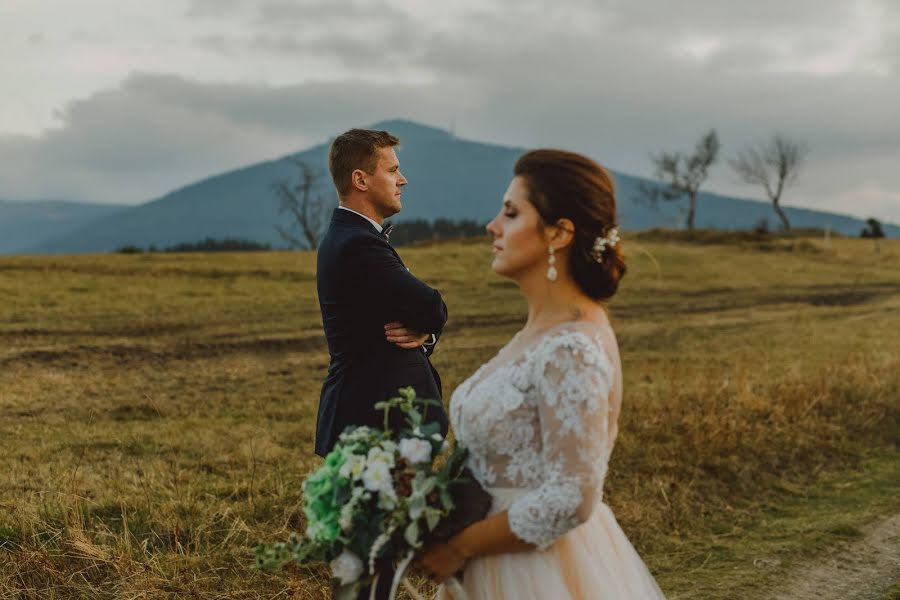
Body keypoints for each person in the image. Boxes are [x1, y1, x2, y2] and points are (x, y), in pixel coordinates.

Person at [416, 149, 666, 599]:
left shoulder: (572, 347)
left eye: (511, 214)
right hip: (489, 565)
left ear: (559, 232)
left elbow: (573, 496)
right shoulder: (540, 333)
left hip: (534, 571)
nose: (492, 226)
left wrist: (461, 546)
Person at [314, 128, 450, 599]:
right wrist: (430, 323)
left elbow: (421, 318)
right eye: (392, 170)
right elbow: (430, 304)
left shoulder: (354, 239)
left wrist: (424, 335)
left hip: (370, 426)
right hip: (374, 428)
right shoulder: (358, 245)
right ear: (361, 179)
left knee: (370, 564)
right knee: (369, 569)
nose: (403, 179)